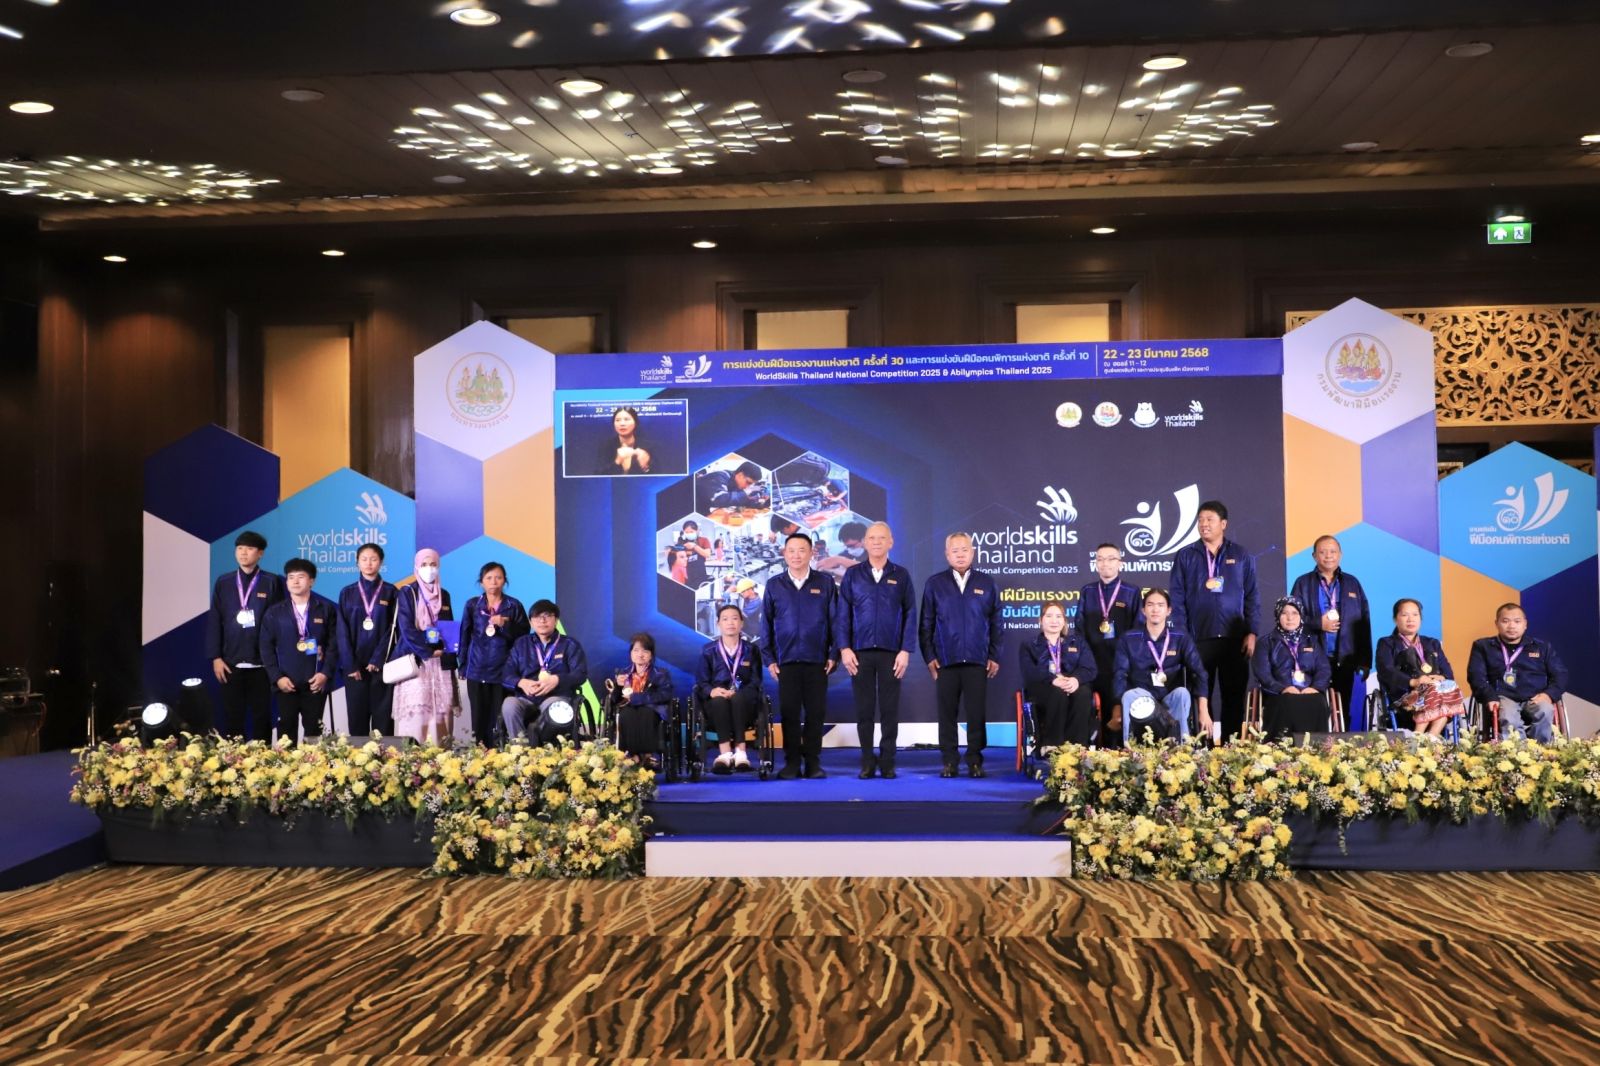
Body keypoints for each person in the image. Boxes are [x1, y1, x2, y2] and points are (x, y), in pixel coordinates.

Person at [1168, 500, 1257, 741]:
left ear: (1223, 524)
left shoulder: (1241, 555)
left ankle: (1231, 748)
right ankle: (1201, 749)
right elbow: (1177, 598)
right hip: (1198, 639)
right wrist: (1182, 636)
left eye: (1209, 520)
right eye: (1200, 520)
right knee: (1200, 695)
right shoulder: (1186, 555)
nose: (1204, 524)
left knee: (1233, 696)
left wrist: (1252, 631)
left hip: (1234, 638)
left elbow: (1252, 595)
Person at [835, 521, 916, 778]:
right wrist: (844, 648)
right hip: (859, 653)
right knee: (864, 710)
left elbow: (910, 614)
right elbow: (842, 614)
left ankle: (888, 760)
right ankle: (867, 760)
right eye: (872, 538)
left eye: (882, 538)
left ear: (891, 542)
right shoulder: (853, 574)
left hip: (892, 653)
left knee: (890, 710)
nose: (877, 542)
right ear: (865, 543)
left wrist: (905, 650)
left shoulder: (901, 575)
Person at [919, 531, 1002, 778]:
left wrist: (994, 655)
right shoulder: (935, 584)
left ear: (972, 552)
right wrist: (929, 656)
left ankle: (975, 760)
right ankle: (949, 761)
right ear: (947, 555)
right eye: (955, 550)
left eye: (964, 550)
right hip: (946, 660)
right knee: (947, 714)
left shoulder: (987, 582)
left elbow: (997, 623)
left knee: (976, 714)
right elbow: (926, 623)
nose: (960, 554)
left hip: (977, 660)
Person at [763, 532, 837, 779]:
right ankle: (792, 763)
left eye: (802, 550)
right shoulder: (774, 585)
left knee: (816, 713)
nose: (796, 555)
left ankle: (813, 763)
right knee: (790, 713)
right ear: (784, 554)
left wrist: (834, 653)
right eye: (791, 550)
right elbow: (766, 625)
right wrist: (769, 659)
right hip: (786, 661)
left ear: (811, 553)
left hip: (817, 660)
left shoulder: (825, 583)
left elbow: (835, 621)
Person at [205, 530, 285, 739]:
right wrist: (216, 657)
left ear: (260, 553)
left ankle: (265, 758)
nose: (243, 553)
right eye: (239, 548)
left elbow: (280, 622)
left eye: (249, 549)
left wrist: (275, 661)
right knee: (233, 718)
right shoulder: (224, 582)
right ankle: (234, 758)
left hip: (262, 664)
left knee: (262, 718)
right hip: (230, 663)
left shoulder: (272, 582)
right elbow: (215, 621)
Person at [1290, 535, 1372, 729]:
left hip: (1345, 657)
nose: (1328, 556)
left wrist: (1365, 660)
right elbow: (1291, 618)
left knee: (1342, 707)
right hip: (1312, 657)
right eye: (1323, 552)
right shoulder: (1303, 583)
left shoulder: (1352, 583)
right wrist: (1318, 623)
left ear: (1340, 555)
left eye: (1333, 552)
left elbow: (1363, 622)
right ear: (1314, 556)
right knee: (1314, 707)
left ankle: (1341, 743)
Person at [1113, 588, 1211, 744]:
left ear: (1168, 610)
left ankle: (1182, 749)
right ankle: (1130, 748)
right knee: (1129, 695)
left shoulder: (1181, 638)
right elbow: (1120, 675)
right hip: (1142, 699)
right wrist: (1118, 706)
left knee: (1182, 693)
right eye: (1150, 605)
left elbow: (1200, 673)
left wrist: (1203, 710)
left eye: (1160, 605)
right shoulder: (1128, 639)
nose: (1155, 609)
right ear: (1143, 610)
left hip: (1170, 698)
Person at [259, 558, 336, 743]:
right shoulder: (274, 612)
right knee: (286, 732)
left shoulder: (325, 609)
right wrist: (277, 678)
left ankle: (314, 764)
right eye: (291, 577)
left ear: (312, 581)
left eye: (301, 577)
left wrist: (325, 673)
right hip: (286, 683)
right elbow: (265, 647)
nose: (295, 581)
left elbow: (334, 644)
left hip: (315, 682)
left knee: (314, 732)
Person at [1467, 603, 1568, 743]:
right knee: (1508, 716)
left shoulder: (1542, 647)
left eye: (1517, 621)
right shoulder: (1483, 646)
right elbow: (1476, 676)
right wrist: (1489, 696)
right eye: (1505, 621)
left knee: (1545, 710)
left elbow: (1560, 674)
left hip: (1535, 697)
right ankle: (1518, 752)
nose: (1511, 626)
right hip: (1502, 697)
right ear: (1496, 623)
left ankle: (1540, 750)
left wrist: (1548, 695)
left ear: (1525, 624)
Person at [390, 548, 458, 744]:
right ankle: (412, 756)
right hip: (417, 660)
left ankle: (441, 757)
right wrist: (428, 651)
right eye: (424, 565)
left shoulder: (444, 594)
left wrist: (447, 650)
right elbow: (406, 628)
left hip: (440, 662)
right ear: (416, 567)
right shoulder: (407, 592)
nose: (429, 569)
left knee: (441, 715)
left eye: (433, 565)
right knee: (417, 715)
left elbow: (448, 625)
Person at [1078, 543, 1142, 748]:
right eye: (1100, 559)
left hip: (1121, 664)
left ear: (1120, 563)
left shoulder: (1131, 591)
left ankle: (1118, 750)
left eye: (1111, 558)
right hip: (1094, 663)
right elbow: (1079, 629)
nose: (1105, 563)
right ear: (1096, 563)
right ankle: (1094, 750)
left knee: (1118, 707)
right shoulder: (1087, 591)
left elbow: (1138, 630)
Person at [458, 562, 529, 745]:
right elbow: (464, 635)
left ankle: (499, 755)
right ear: (481, 582)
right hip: (476, 669)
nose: (493, 582)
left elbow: (523, 636)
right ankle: (480, 754)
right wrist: (463, 665)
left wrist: (505, 624)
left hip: (503, 671)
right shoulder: (473, 605)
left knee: (498, 719)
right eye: (489, 578)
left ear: (504, 580)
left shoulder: (514, 605)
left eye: (498, 577)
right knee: (478, 718)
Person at [501, 599, 590, 745]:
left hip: (557, 696)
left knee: (553, 705)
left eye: (547, 616)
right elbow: (506, 674)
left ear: (556, 620)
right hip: (526, 698)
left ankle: (540, 746)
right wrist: (521, 682)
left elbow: (580, 674)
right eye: (537, 617)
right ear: (531, 622)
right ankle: (520, 747)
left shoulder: (570, 644)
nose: (542, 620)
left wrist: (557, 680)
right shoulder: (521, 644)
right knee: (509, 704)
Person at [1374, 598, 1461, 736]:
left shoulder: (1432, 643)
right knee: (1435, 693)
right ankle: (1422, 736)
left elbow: (1448, 673)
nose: (1410, 619)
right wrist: (1414, 682)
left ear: (1420, 618)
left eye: (1415, 614)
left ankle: (1428, 737)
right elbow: (1386, 671)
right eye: (1405, 615)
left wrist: (1441, 677)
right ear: (1395, 619)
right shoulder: (1387, 643)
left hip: (1435, 694)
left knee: (1445, 689)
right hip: (1404, 696)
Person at [1250, 596, 1332, 739]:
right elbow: (1263, 673)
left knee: (1318, 701)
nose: (1290, 618)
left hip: (1309, 692)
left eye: (1294, 613)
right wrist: (1282, 688)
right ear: (1277, 616)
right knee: (1287, 701)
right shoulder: (1265, 643)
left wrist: (1315, 687)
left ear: (1301, 616)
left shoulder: (1311, 642)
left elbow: (1323, 669)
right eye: (1284, 613)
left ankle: (1317, 746)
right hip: (1280, 695)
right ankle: (1283, 746)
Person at [335, 542, 396, 737]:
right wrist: (350, 664)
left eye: (373, 559)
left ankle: (385, 758)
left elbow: (394, 629)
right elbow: (341, 631)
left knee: (383, 723)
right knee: (357, 722)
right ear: (357, 562)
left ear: (381, 562)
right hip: (355, 670)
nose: (369, 563)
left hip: (382, 667)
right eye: (364, 559)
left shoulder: (391, 592)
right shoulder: (347, 592)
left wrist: (378, 659)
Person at [1018, 601, 1097, 752]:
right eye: (1049, 616)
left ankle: (1077, 747)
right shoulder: (1029, 645)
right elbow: (1029, 671)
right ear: (1041, 620)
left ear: (1064, 621)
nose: (1054, 620)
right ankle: (1051, 745)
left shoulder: (1078, 642)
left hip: (1071, 684)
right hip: (1043, 687)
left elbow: (1090, 668)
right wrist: (1053, 680)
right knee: (1057, 693)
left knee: (1083, 693)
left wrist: (1076, 679)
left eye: (1058, 616)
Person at [696, 604, 764, 774]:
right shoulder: (708, 650)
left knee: (738, 698)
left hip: (744, 702)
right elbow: (702, 681)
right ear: (718, 624)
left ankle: (741, 753)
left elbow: (756, 680)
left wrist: (738, 693)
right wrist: (712, 691)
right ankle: (725, 754)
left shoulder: (751, 650)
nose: (730, 623)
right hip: (716, 704)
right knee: (719, 701)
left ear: (741, 623)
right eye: (725, 619)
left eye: (735, 618)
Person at [611, 632, 675, 768]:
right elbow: (615, 700)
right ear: (631, 654)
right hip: (628, 709)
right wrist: (618, 686)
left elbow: (665, 695)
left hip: (652, 709)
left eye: (645, 651)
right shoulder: (623, 673)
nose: (640, 654)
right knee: (626, 714)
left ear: (651, 654)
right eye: (636, 650)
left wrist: (638, 698)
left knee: (646, 713)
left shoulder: (661, 674)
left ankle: (646, 755)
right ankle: (633, 755)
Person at [597, 405, 653, 475]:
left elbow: (659, 476)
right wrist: (617, 461)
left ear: (635, 422)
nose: (622, 424)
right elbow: (598, 476)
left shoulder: (648, 447)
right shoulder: (605, 447)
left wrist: (645, 466)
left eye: (626, 419)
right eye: (618, 420)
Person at [698, 460, 767, 512]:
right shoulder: (720, 476)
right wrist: (747, 492)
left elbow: (742, 501)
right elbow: (720, 499)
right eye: (748, 482)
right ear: (740, 475)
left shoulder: (737, 484)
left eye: (751, 484)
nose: (748, 486)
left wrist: (761, 504)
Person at [676, 521, 711, 588]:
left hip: (700, 573)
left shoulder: (704, 540)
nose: (689, 534)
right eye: (686, 532)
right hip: (686, 574)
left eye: (691, 531)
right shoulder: (681, 542)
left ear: (697, 530)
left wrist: (695, 546)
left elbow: (707, 554)